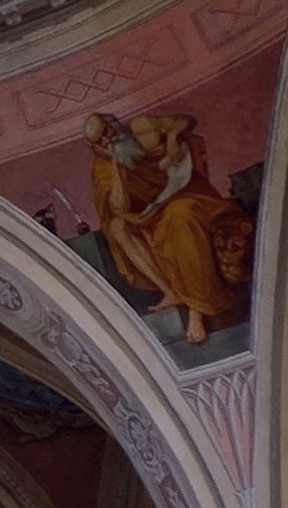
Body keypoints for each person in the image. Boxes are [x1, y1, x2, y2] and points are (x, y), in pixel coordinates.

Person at [85, 108, 252, 343]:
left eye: (107, 132)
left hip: (188, 196)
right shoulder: (101, 169)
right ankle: (171, 291)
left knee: (179, 217)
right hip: (149, 216)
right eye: (100, 141)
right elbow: (120, 207)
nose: (108, 140)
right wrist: (116, 165)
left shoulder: (142, 128)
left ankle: (197, 308)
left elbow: (186, 119)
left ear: (113, 123)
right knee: (117, 228)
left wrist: (172, 138)